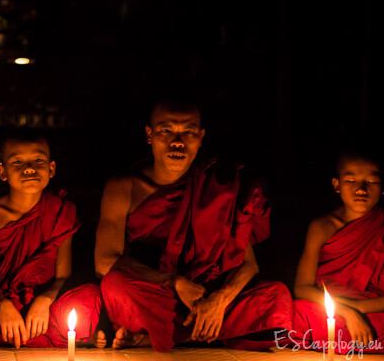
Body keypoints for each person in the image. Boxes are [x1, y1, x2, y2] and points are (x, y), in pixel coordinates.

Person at [94, 96, 293, 352]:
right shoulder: (124, 187)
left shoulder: (220, 186)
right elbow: (104, 262)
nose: (177, 142)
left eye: (188, 132)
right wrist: (174, 282)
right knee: (115, 286)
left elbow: (248, 265)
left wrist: (219, 301)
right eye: (166, 130)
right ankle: (207, 334)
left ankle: (154, 336)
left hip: (209, 294)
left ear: (200, 138)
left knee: (277, 296)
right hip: (157, 293)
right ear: (149, 135)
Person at [0, 130, 105, 349]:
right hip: (2, 309)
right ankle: (64, 338)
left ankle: (2, 337)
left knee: (90, 295)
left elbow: (63, 276)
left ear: (51, 169)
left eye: (38, 160)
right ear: (2, 172)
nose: (29, 168)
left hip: (43, 310)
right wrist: (2, 304)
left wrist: (46, 299)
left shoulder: (61, 210)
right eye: (17, 161)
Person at [292, 150, 384, 354]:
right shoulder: (321, 227)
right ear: (336, 184)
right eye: (350, 180)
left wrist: (360, 310)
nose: (361, 189)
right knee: (291, 311)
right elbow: (302, 288)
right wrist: (347, 312)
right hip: (329, 308)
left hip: (375, 309)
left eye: (372, 181)